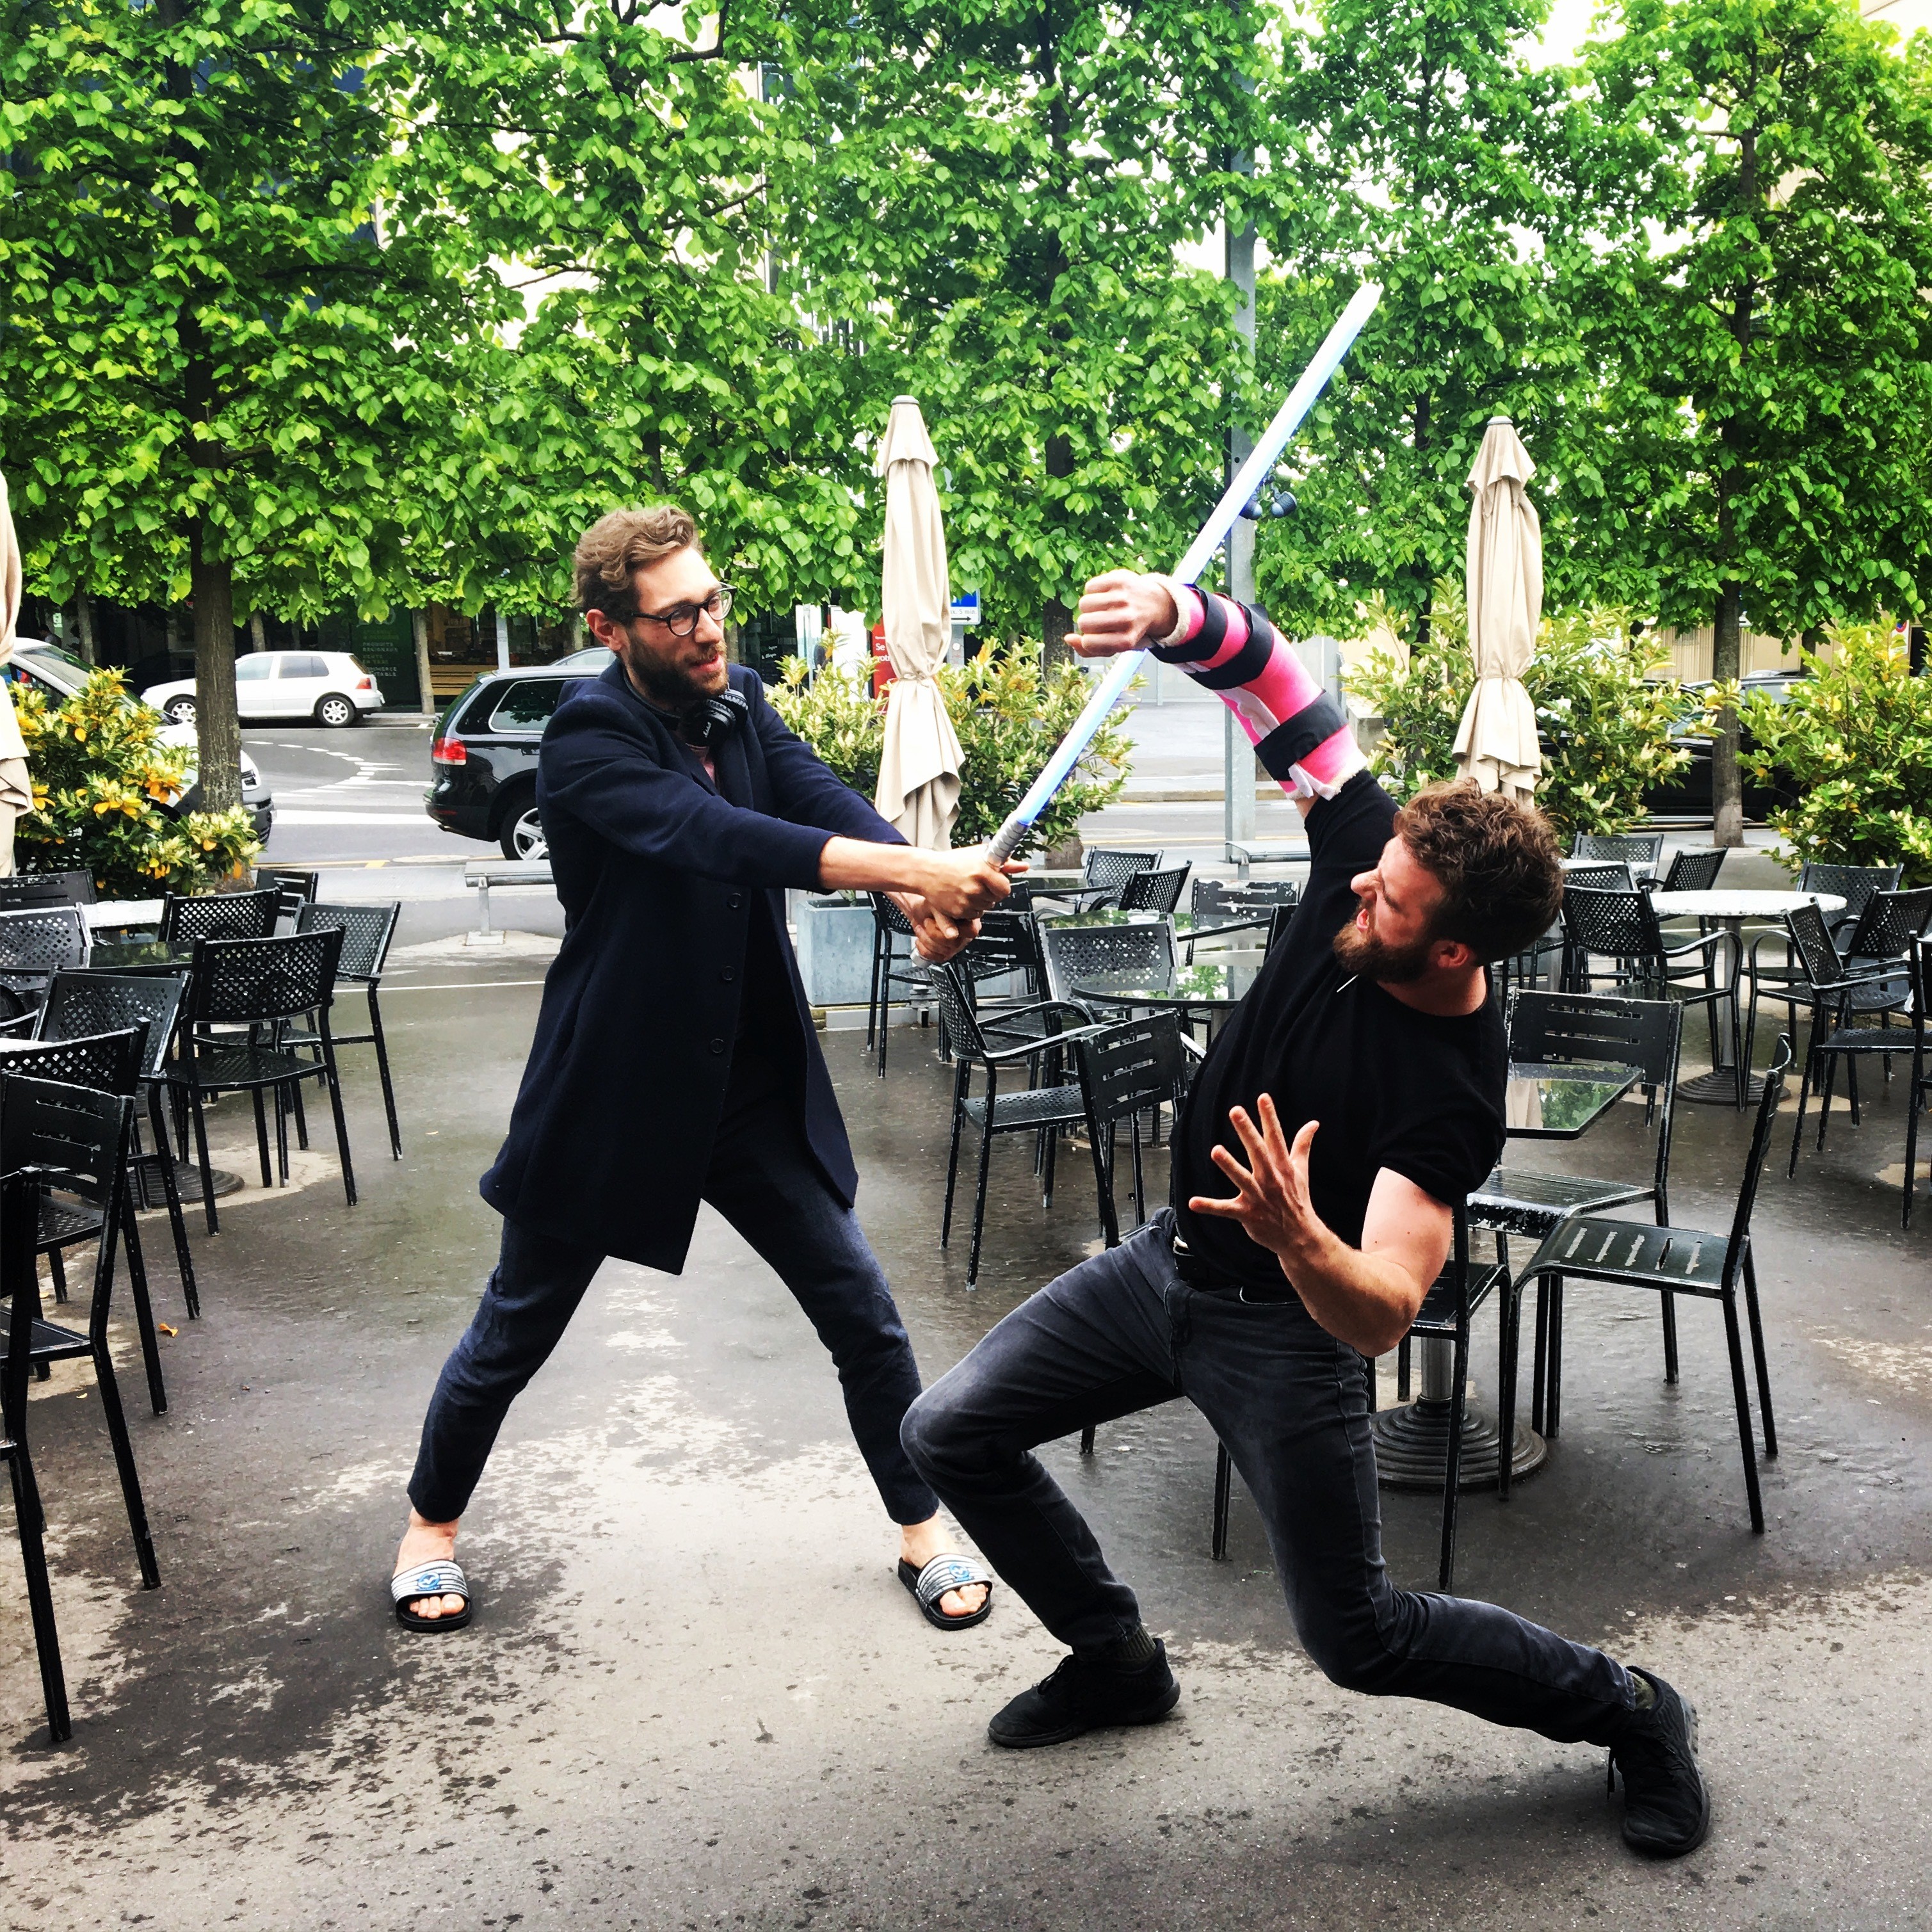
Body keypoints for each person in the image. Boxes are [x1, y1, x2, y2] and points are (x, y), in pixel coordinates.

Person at [899, 568, 1712, 1860]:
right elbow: (1279, 688)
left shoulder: (1447, 1091)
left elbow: (1387, 1306)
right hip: (1165, 1272)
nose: (1357, 900)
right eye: (1372, 873)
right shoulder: (1366, 855)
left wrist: (1302, 1238)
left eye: (1390, 905)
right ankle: (1116, 1657)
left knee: (1360, 1640)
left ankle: (1629, 1710)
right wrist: (1181, 622)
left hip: (1286, 1331)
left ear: (1456, 951)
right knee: (947, 1431)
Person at [392, 504, 1015, 1637]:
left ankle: (920, 1525)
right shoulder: (586, 737)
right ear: (610, 626)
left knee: (863, 1316)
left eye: (711, 601)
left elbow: (810, 797)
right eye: (677, 615)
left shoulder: (740, 702)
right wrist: (924, 864)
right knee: (515, 1327)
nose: (706, 628)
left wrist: (909, 891)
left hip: (748, 1088)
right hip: (614, 1092)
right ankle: (429, 1526)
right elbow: (720, 835)